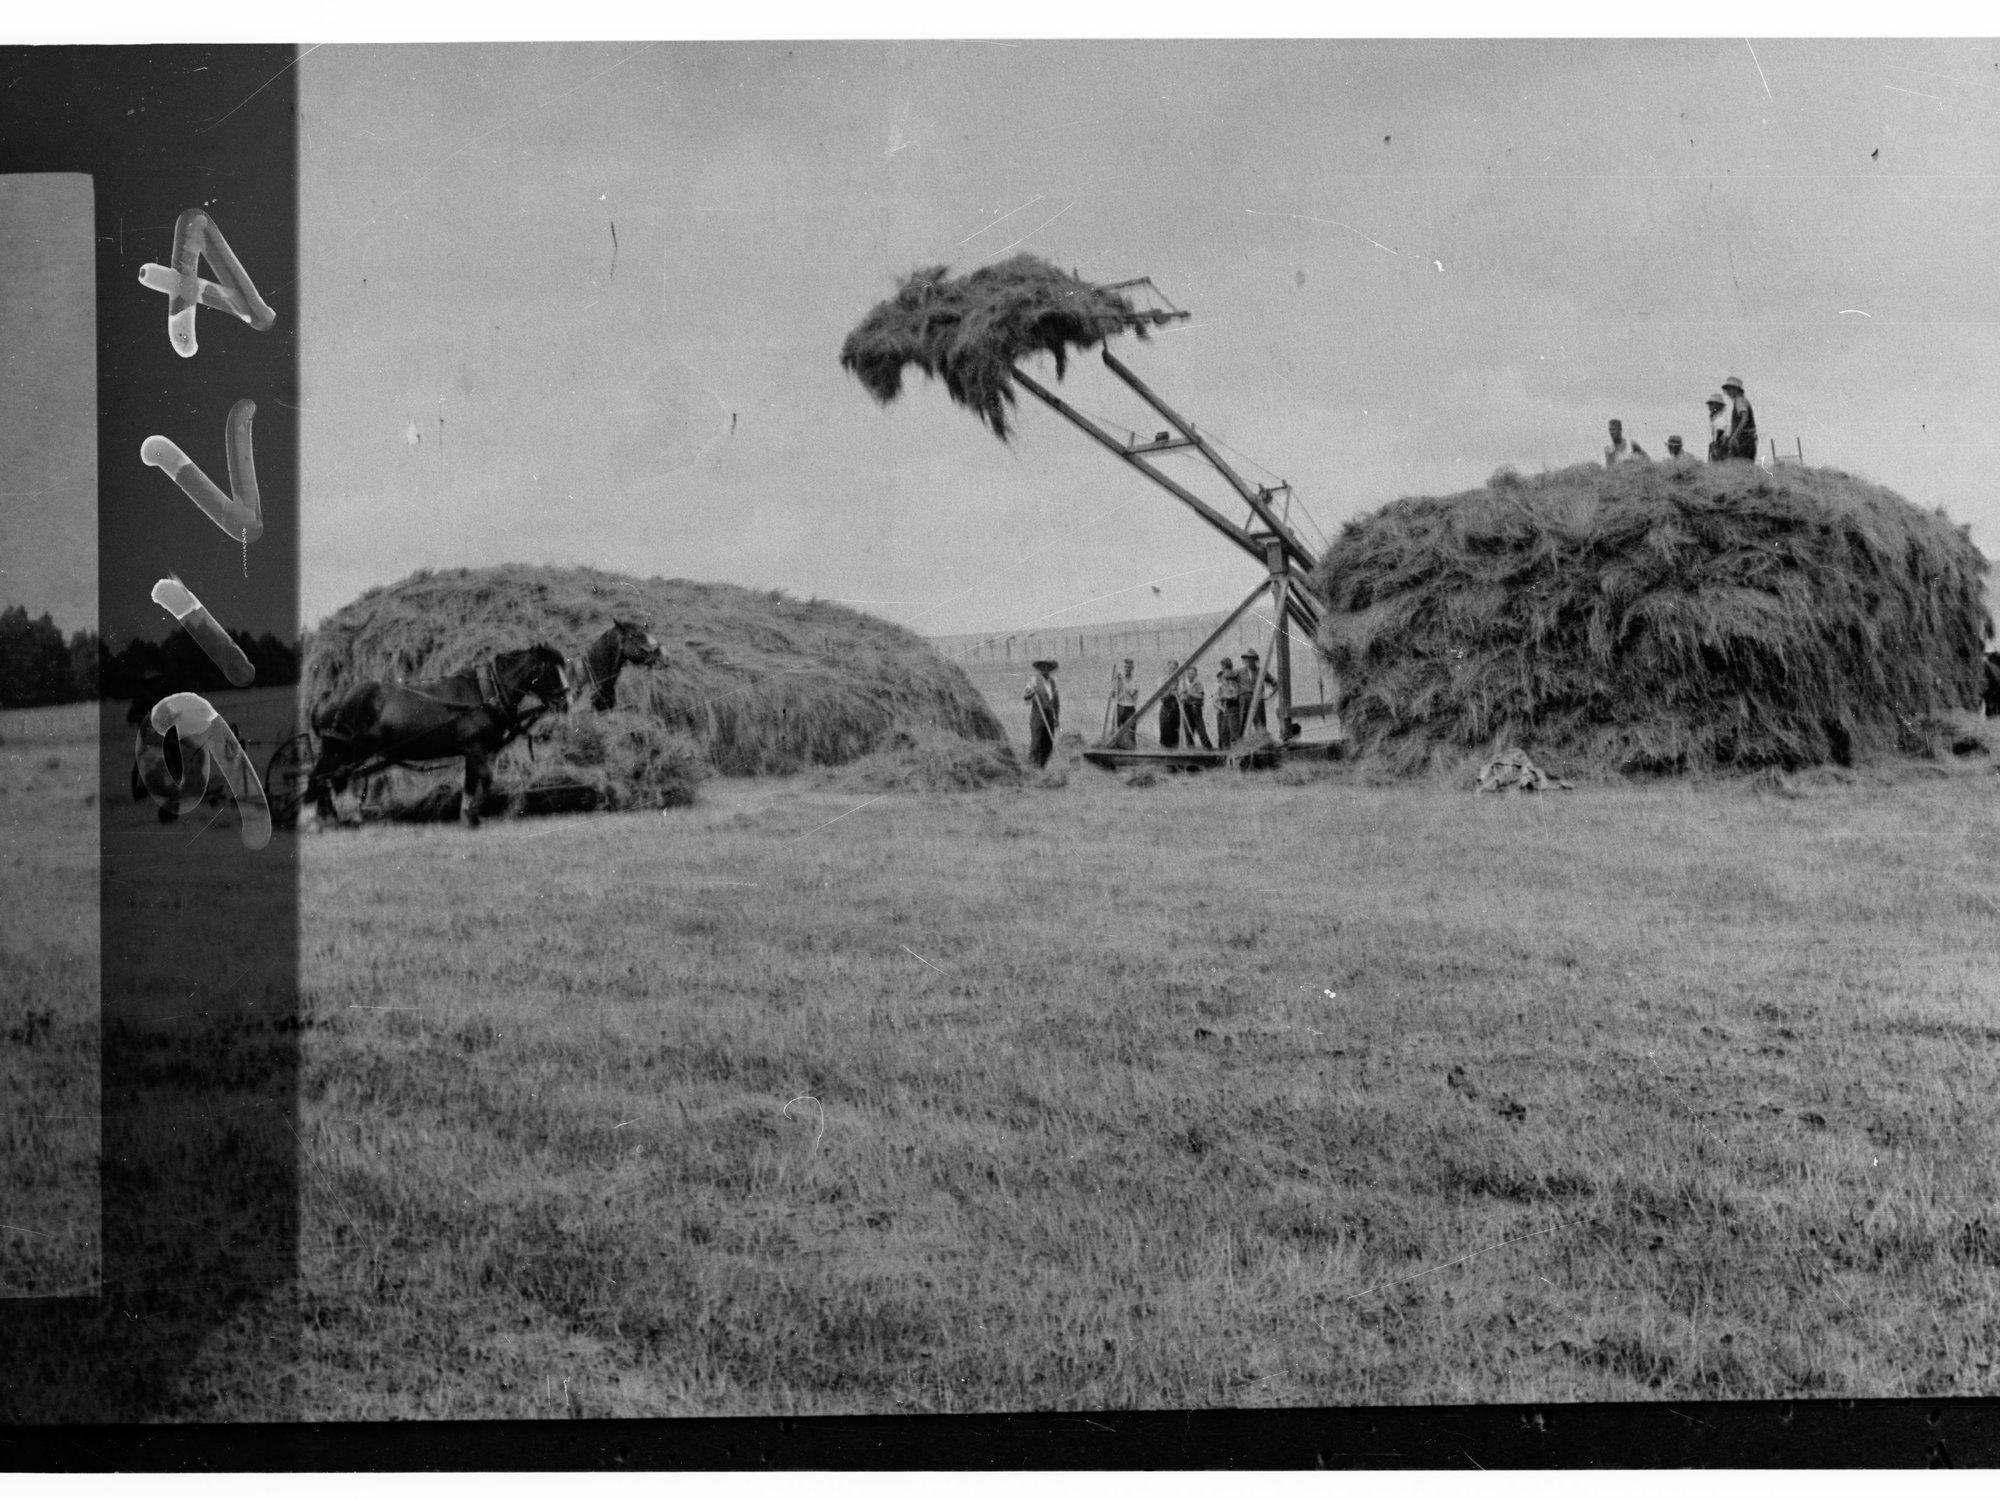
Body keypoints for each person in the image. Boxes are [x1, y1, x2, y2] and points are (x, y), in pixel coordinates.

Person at [1024, 658, 1060, 769]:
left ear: (1050, 669)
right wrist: (1032, 693)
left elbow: (1056, 701)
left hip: (1049, 715)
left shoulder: (1053, 681)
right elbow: (1026, 697)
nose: (1044, 669)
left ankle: (1041, 767)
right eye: (1042, 667)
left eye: (1047, 667)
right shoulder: (1033, 681)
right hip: (1037, 715)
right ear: (1039, 668)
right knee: (1036, 742)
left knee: (1048, 743)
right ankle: (1030, 766)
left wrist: (1057, 718)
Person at [1721, 376, 1758, 462]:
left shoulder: (1739, 400)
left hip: (1743, 440)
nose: (1728, 392)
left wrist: (1734, 436)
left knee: (1739, 468)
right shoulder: (1743, 400)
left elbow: (1744, 418)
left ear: (1736, 389)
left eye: (1730, 389)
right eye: (1727, 390)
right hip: (1748, 439)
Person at [1179, 663, 1213, 749]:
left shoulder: (1198, 684)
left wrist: (1189, 692)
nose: (1190, 675)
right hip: (1186, 708)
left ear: (1195, 675)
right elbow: (1181, 696)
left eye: (1192, 673)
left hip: (1195, 708)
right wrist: (1182, 696)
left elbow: (1200, 696)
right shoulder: (1183, 683)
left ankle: (1208, 748)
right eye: (1189, 673)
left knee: (1201, 729)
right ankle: (1190, 749)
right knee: (1188, 731)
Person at [1240, 648, 1271, 734]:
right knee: (1242, 723)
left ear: (1255, 659)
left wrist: (1268, 695)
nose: (1249, 660)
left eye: (1251, 658)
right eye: (1247, 658)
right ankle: (1241, 745)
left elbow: (1275, 683)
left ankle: (1262, 743)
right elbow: (1230, 681)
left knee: (1260, 724)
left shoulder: (1261, 672)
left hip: (1257, 700)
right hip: (1245, 700)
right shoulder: (1240, 672)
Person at [1110, 658, 1139, 747]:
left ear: (1132, 669)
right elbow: (1113, 694)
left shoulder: (1135, 680)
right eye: (1125, 667)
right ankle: (1114, 748)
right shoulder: (1118, 679)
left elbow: (1132, 692)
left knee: (1130, 732)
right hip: (1119, 707)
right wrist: (1115, 684)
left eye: (1129, 667)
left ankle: (1132, 749)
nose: (1127, 669)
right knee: (1115, 731)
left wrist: (1122, 681)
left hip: (1130, 708)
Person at [1214, 657, 1241, 748]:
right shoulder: (1226, 681)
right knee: (1224, 732)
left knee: (1234, 733)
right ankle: (1226, 755)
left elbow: (1235, 696)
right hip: (1227, 709)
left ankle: (1235, 754)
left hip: (1233, 708)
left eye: (1223, 668)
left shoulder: (1233, 680)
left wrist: (1224, 697)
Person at [1158, 658, 1182, 749]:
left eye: (1174, 668)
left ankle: (1174, 760)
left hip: (1176, 709)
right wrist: (1170, 691)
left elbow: (1181, 696)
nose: (1172, 670)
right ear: (1167, 668)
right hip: (1166, 709)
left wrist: (1179, 693)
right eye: (1171, 668)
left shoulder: (1179, 681)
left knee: (1175, 736)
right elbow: (1162, 698)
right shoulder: (1162, 680)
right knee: (1165, 735)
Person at [1704, 393, 1729, 461]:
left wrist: (1716, 447)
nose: (1710, 406)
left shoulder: (1720, 419)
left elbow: (1720, 431)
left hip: (1720, 446)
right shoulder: (1716, 419)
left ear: (1718, 406)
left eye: (1712, 404)